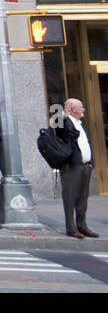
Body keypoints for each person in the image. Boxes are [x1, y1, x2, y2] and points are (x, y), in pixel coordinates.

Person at [56, 99, 99, 239]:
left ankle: (82, 225)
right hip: (72, 166)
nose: (83, 110)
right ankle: (71, 228)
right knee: (70, 198)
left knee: (82, 199)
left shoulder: (80, 124)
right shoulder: (63, 121)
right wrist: (63, 111)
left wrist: (91, 162)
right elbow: (56, 124)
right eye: (81, 107)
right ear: (72, 109)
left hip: (86, 166)